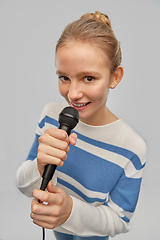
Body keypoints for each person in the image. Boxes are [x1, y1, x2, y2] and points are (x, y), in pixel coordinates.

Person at [16, 11, 147, 240]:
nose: (73, 94)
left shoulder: (132, 147)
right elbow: (24, 185)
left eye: (89, 78)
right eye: (64, 77)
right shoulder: (50, 116)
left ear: (115, 77)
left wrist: (70, 212)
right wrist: (38, 166)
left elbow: (119, 222)